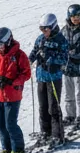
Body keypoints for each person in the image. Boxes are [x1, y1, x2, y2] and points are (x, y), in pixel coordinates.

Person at [0, 28, 30, 153]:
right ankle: (7, 148)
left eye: (1, 44)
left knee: (10, 123)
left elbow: (26, 74)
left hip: (12, 96)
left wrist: (11, 81)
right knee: (0, 124)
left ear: (8, 41)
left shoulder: (19, 55)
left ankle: (18, 148)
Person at [29, 14, 68, 144]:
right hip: (41, 77)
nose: (44, 32)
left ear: (53, 26)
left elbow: (64, 58)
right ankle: (45, 131)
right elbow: (34, 52)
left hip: (54, 78)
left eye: (46, 29)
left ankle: (58, 134)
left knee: (53, 107)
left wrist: (51, 58)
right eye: (41, 29)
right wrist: (29, 60)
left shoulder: (60, 40)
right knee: (43, 106)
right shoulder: (40, 39)